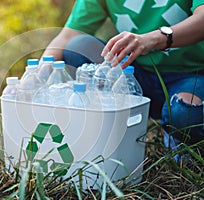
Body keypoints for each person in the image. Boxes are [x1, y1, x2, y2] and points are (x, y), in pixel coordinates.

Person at [42, 0, 204, 161]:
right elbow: (68, 36)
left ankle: (181, 142)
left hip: (191, 74)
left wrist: (153, 39)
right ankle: (110, 135)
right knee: (78, 46)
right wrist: (35, 79)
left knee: (184, 112)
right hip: (133, 75)